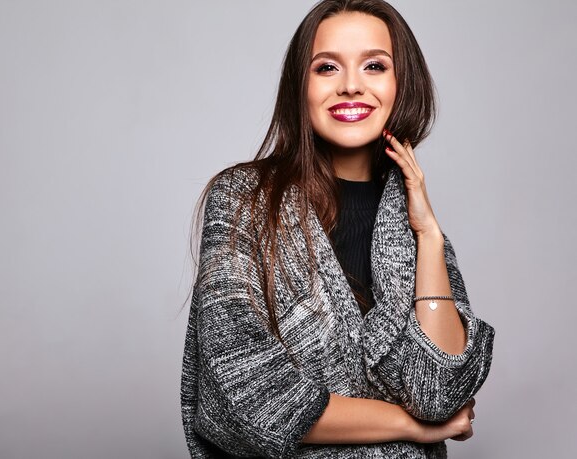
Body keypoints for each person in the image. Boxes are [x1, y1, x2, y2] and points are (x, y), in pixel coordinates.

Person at [180, 0, 495, 457]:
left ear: (400, 84)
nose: (351, 86)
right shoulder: (244, 201)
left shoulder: (415, 224)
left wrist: (427, 236)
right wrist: (413, 427)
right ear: (300, 87)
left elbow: (441, 392)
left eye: (374, 66)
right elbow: (248, 401)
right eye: (327, 67)